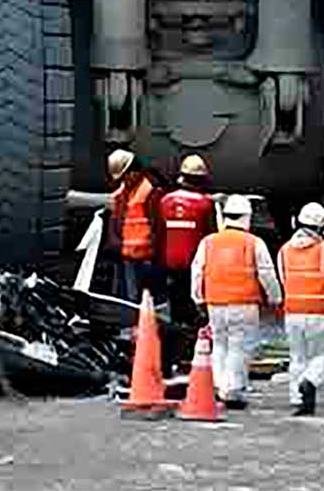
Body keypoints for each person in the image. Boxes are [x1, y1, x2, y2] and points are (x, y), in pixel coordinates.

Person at [190, 194, 282, 409]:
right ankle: (232, 390)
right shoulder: (254, 243)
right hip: (244, 303)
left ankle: (219, 385)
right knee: (240, 346)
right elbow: (266, 274)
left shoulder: (208, 242)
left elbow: (197, 271)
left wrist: (198, 298)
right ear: (247, 217)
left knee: (220, 344)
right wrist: (275, 298)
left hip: (215, 302)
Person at [277, 202, 324, 416]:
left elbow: (284, 280)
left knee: (297, 356)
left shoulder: (284, 251)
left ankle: (296, 397)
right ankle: (309, 382)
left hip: (292, 312)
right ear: (322, 226)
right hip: (321, 313)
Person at [158, 154, 218, 364]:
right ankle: (194, 349)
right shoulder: (205, 204)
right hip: (195, 265)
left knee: (176, 307)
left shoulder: (165, 202)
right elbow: (211, 236)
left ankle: (177, 351)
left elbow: (159, 233)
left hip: (170, 264)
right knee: (197, 308)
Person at [107, 148, 163, 303]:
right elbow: (116, 218)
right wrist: (114, 240)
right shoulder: (122, 193)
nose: (124, 181)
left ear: (135, 172)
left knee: (146, 298)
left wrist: (157, 253)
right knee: (130, 298)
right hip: (127, 255)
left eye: (126, 176)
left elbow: (158, 226)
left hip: (147, 256)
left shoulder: (150, 191)